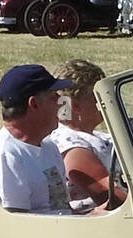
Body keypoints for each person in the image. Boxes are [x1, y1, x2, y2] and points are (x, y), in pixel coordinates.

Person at [0, 65, 76, 214]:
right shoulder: (5, 157)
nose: (60, 102)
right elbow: (16, 226)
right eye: (54, 97)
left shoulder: (48, 146)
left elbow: (62, 209)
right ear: (33, 104)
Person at [49, 59, 126, 211]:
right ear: (75, 105)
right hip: (101, 224)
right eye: (98, 97)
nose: (105, 102)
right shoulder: (70, 145)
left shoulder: (101, 137)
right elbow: (111, 196)